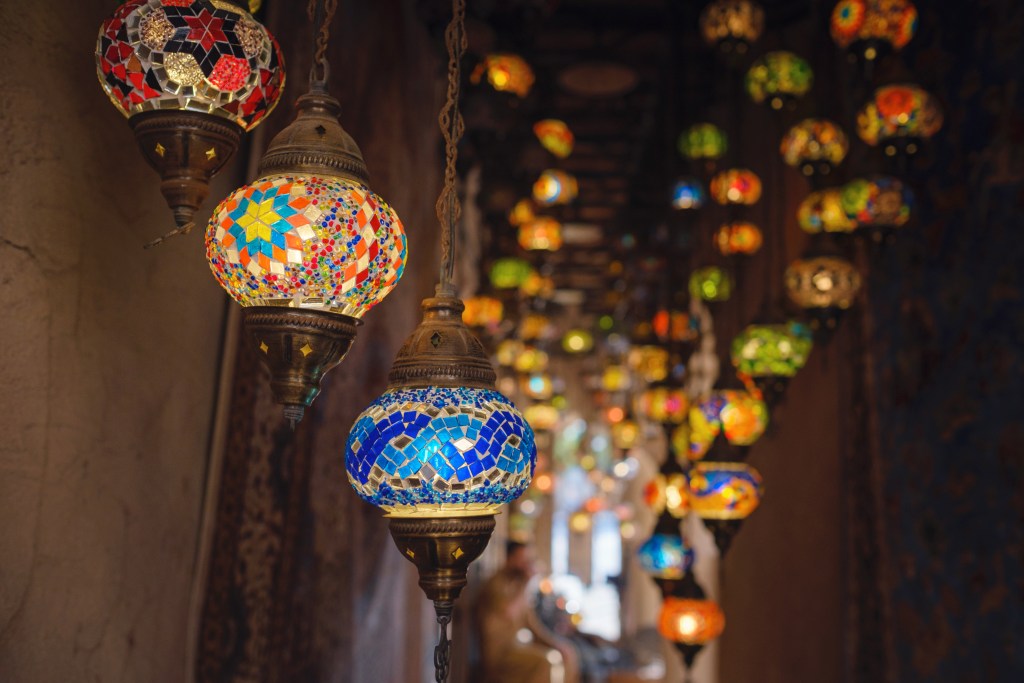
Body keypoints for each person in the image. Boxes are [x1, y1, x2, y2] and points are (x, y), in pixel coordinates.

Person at [476, 541, 580, 683]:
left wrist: (555, 644)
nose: (527, 564)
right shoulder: (496, 582)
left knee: (567, 654)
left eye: (529, 560)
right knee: (545, 662)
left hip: (519, 648)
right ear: (509, 558)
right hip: (500, 653)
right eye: (523, 559)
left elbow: (533, 626)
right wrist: (527, 583)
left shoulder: (519, 586)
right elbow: (508, 612)